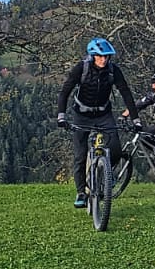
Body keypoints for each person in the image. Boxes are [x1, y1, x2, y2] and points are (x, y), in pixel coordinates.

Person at [56, 38, 140, 208]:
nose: (104, 59)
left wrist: (135, 119)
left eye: (107, 56)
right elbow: (65, 91)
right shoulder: (82, 68)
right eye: (100, 56)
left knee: (115, 149)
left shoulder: (113, 71)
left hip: (103, 114)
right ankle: (81, 192)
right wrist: (61, 116)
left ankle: (106, 174)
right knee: (80, 155)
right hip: (81, 115)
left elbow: (126, 93)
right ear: (93, 56)